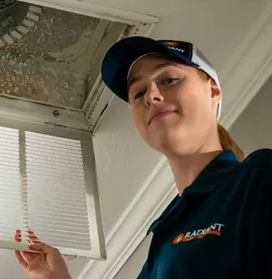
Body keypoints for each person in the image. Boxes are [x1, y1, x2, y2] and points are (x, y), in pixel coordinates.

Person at [15, 37, 272, 279]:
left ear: (214, 91)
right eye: (138, 94)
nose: (151, 95)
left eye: (169, 79)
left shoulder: (259, 175)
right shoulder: (164, 232)